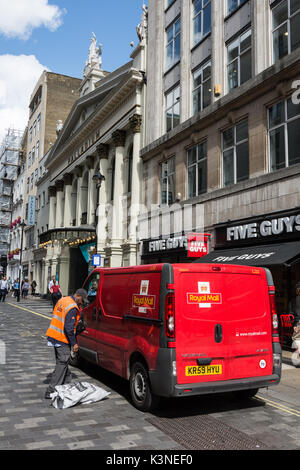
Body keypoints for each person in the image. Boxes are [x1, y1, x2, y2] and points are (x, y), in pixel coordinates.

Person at [44, 288, 88, 399]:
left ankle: (66, 384)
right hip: (62, 338)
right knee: (62, 363)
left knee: (63, 361)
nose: (82, 303)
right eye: (82, 301)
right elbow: (68, 328)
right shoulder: (72, 307)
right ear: (78, 296)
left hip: (54, 335)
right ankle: (51, 390)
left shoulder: (63, 300)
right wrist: (74, 343)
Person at [292, 282, 300, 358]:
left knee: (296, 339)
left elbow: (298, 312)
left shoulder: (298, 298)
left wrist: (295, 324)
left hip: (299, 322)